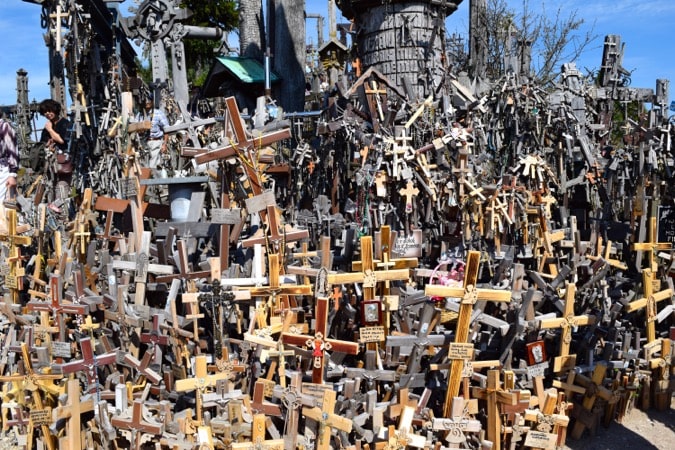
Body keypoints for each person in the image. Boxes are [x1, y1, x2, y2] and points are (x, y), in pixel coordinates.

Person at [39, 99, 71, 205]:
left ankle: (63, 216)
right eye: (45, 112)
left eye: (49, 110)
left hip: (62, 164)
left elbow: (62, 140)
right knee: (50, 190)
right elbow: (43, 143)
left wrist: (50, 130)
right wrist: (48, 144)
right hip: (50, 165)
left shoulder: (64, 124)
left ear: (55, 109)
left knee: (61, 189)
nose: (47, 114)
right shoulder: (47, 127)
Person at [137, 97, 170, 173]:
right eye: (145, 101)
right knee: (143, 166)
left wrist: (164, 144)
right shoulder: (140, 114)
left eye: (149, 101)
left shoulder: (158, 113)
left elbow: (167, 129)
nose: (147, 102)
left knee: (153, 166)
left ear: (152, 102)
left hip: (156, 142)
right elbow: (135, 126)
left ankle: (155, 182)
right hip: (143, 143)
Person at [0, 111, 19, 203]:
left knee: (2, 204)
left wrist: (12, 174)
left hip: (2, 170)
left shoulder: (4, 126)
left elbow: (12, 150)